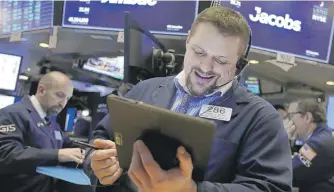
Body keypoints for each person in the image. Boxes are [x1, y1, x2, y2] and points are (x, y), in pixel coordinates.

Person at [85, 6, 292, 192]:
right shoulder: (144, 90)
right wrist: (96, 165)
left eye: (220, 60)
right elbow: (98, 141)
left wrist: (192, 190)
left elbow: (270, 187)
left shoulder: (260, 118)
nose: (205, 67)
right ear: (187, 42)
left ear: (240, 65)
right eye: (199, 52)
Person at [0, 71, 85, 192]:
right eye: (59, 95)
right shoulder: (11, 114)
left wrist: (91, 152)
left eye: (67, 98)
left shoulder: (50, 121)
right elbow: (6, 155)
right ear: (41, 90)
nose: (63, 103)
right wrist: (57, 155)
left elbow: (67, 145)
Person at [285, 99, 334, 192]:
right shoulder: (323, 136)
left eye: (290, 116)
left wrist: (283, 140)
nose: (288, 122)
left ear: (307, 117)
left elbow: (288, 173)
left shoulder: (316, 144)